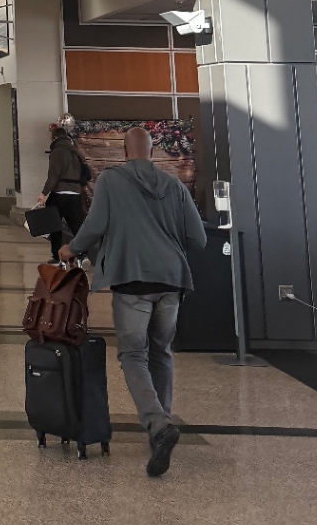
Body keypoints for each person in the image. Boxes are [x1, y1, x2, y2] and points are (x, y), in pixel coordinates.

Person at [59, 126, 207, 479]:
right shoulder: (173, 185)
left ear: (125, 152)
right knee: (161, 352)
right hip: (172, 280)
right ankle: (162, 424)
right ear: (152, 152)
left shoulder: (111, 180)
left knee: (133, 354)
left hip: (133, 279)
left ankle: (157, 425)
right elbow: (198, 238)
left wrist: (72, 248)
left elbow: (95, 225)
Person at [36, 114, 93, 257]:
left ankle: (56, 255)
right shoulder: (76, 151)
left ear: (55, 138)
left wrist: (43, 193)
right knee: (77, 227)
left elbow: (53, 175)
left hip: (60, 194)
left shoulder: (57, 151)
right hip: (75, 194)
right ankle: (83, 253)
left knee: (53, 224)